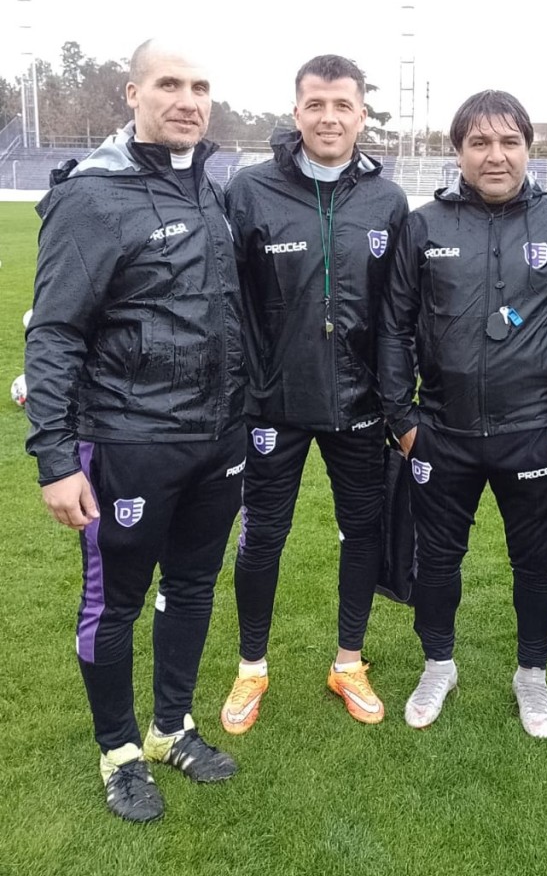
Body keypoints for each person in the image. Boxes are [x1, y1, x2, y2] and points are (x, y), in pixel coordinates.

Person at [25, 39, 246, 823]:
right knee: (113, 602)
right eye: (169, 84)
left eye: (200, 86)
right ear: (132, 93)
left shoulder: (208, 188)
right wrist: (57, 460)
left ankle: (170, 727)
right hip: (127, 443)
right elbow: (54, 332)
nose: (188, 100)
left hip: (217, 441)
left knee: (191, 588)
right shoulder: (93, 196)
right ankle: (118, 751)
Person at [378, 90, 547, 737]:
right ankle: (438, 665)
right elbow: (393, 328)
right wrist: (404, 422)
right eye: (479, 142)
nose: (495, 155)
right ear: (458, 152)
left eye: (509, 141)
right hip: (440, 434)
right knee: (436, 561)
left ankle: (531, 673)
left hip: (534, 436)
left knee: (536, 565)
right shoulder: (424, 226)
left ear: (528, 148)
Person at [219, 55, 408, 733]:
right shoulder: (249, 191)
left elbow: (399, 312)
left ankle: (348, 662)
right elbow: (225, 301)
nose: (330, 118)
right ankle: (251, 668)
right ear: (296, 111)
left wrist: (395, 396)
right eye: (316, 104)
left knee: (362, 531)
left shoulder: (387, 200)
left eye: (343, 105)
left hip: (360, 404)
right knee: (263, 535)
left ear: (362, 114)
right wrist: (242, 387)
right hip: (272, 402)